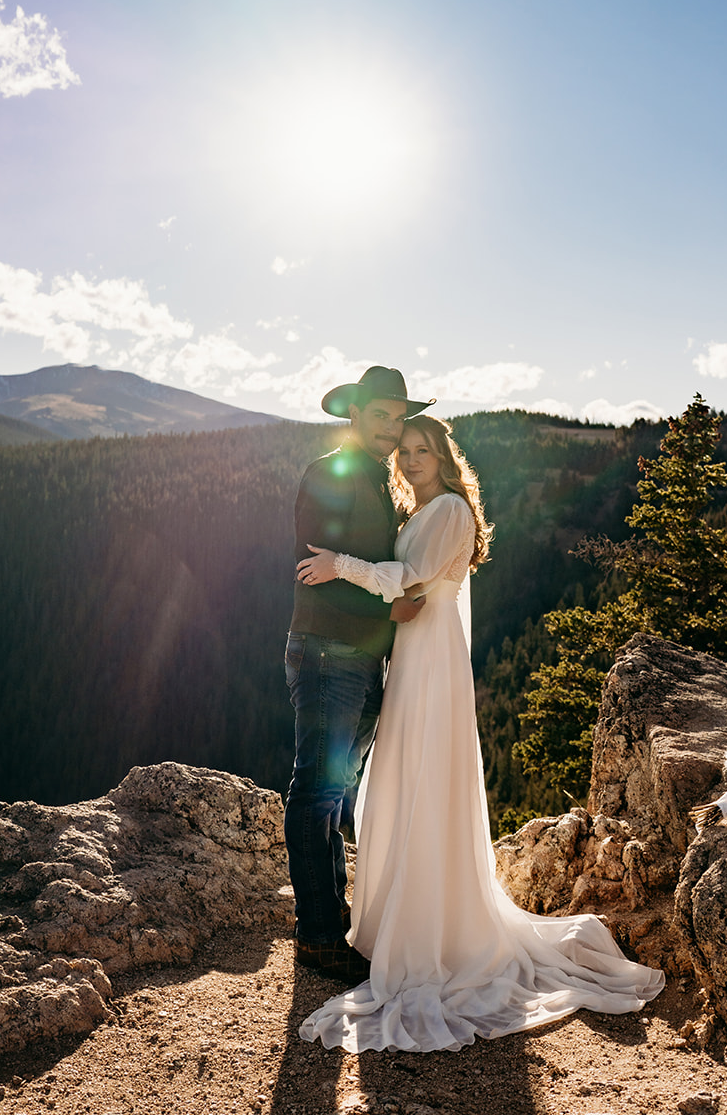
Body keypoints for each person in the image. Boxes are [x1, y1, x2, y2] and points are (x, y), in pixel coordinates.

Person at [295, 414, 665, 1053]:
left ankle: (431, 928)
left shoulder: (448, 513)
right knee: (401, 779)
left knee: (420, 777)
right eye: (403, 452)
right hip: (410, 656)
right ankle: (398, 921)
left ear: (444, 456)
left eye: (422, 451)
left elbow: (402, 580)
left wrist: (340, 564)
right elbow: (401, 583)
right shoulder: (425, 510)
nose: (410, 460)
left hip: (428, 663)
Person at [284, 365, 434, 984]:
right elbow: (316, 565)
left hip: (361, 660)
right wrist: (390, 605)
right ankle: (317, 936)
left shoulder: (381, 481)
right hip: (327, 652)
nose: (391, 429)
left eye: (399, 419)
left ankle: (331, 922)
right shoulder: (329, 474)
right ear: (355, 414)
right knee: (318, 790)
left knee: (336, 794)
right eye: (381, 416)